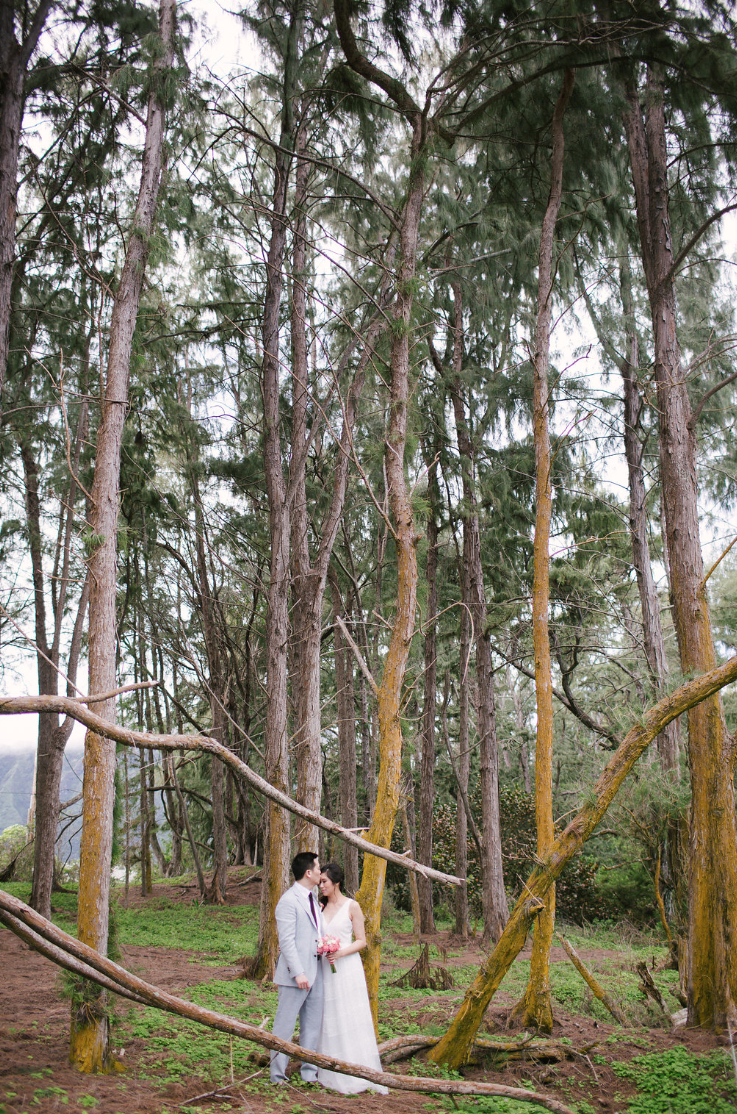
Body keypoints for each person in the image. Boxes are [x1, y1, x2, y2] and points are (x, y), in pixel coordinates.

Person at [315, 862, 389, 1094]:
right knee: (328, 1014)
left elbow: (362, 940)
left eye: (324, 882)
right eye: (320, 882)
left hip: (346, 967)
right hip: (326, 968)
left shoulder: (352, 905)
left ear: (336, 882)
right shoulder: (319, 907)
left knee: (349, 1013)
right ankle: (327, 1064)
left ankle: (356, 1068)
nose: (321, 886)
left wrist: (339, 952)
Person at [270, 851, 325, 1085]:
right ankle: (277, 1076)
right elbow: (286, 941)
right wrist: (298, 972)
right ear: (308, 872)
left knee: (311, 1026)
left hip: (317, 971)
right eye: (318, 868)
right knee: (284, 1026)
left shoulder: (313, 898)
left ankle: (309, 1074)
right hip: (296, 975)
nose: (322, 872)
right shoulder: (288, 900)